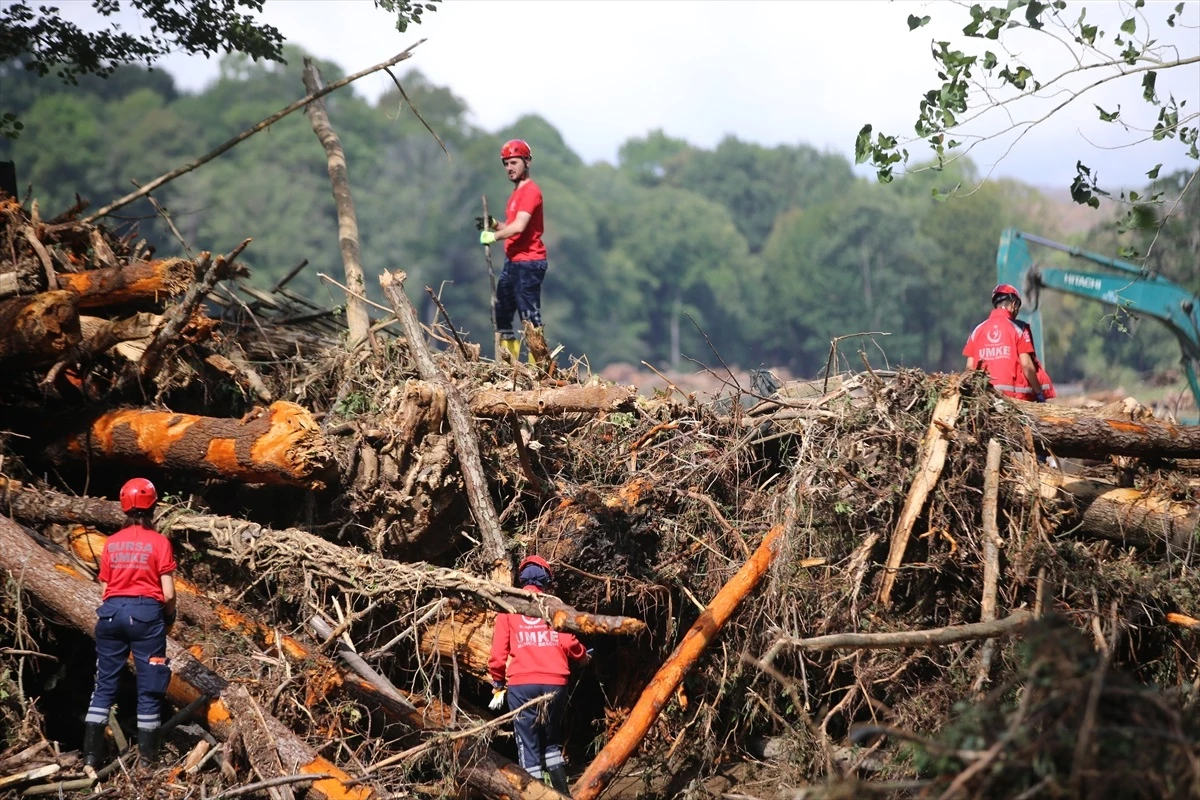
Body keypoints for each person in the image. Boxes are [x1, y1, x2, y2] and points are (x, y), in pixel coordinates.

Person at [83, 478, 177, 769]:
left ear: (124, 507)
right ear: (153, 506)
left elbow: (105, 590)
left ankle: (90, 758)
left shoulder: (111, 543)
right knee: (149, 688)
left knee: (104, 686)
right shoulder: (160, 542)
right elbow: (169, 592)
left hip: (110, 615)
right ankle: (148, 764)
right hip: (146, 616)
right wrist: (169, 618)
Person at [487, 555, 589, 792]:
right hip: (556, 683)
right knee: (551, 743)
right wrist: (583, 655)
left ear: (522, 579)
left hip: (522, 686)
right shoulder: (554, 605)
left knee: (528, 747)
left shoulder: (509, 607)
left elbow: (498, 652)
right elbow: (569, 642)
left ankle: (535, 795)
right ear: (547, 579)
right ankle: (563, 794)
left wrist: (498, 681)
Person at [476, 139, 549, 365]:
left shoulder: (530, 192)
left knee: (530, 319)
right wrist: (495, 224)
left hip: (529, 263)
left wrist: (494, 237)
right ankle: (509, 367)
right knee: (502, 316)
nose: (510, 168)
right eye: (506, 163)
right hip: (513, 262)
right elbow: (512, 225)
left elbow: (519, 227)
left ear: (527, 162)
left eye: (514, 162)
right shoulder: (516, 193)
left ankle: (539, 370)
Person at [963, 284, 1056, 401]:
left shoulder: (977, 330)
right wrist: (1039, 393)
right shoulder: (1019, 328)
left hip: (983, 400)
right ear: (1014, 305)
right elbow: (1027, 365)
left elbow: (969, 368)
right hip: (1014, 401)